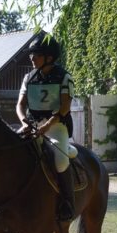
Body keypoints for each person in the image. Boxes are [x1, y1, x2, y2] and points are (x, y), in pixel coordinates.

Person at [17, 32, 76, 222]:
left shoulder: (64, 77)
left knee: (59, 159)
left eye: (36, 55)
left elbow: (65, 107)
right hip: (32, 125)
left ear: (49, 57)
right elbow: (20, 105)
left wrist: (47, 125)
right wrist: (23, 121)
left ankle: (67, 202)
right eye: (31, 55)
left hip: (56, 125)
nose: (31, 58)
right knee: (13, 148)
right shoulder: (28, 77)